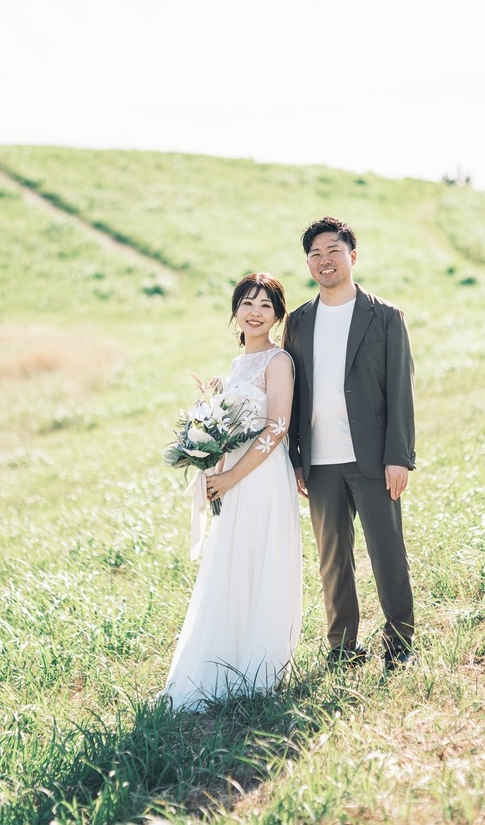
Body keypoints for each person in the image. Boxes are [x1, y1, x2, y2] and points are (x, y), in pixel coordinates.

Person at [161, 273, 302, 710]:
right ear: (236, 312)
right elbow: (225, 431)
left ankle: (259, 668)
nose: (255, 312)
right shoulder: (237, 366)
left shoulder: (279, 362)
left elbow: (277, 427)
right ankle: (226, 658)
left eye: (265, 305)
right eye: (247, 303)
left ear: (277, 315)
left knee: (260, 561)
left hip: (261, 478)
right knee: (231, 563)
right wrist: (211, 472)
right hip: (232, 481)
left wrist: (233, 475)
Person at [282, 216, 416, 672]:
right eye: (315, 255)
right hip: (319, 464)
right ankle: (343, 648)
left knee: (387, 553)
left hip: (374, 460)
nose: (325, 261)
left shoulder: (385, 317)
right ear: (308, 263)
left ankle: (400, 645)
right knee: (333, 561)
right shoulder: (298, 321)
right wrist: (296, 459)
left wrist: (399, 457)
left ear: (352, 256)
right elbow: (294, 394)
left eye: (333, 252)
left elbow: (401, 391)